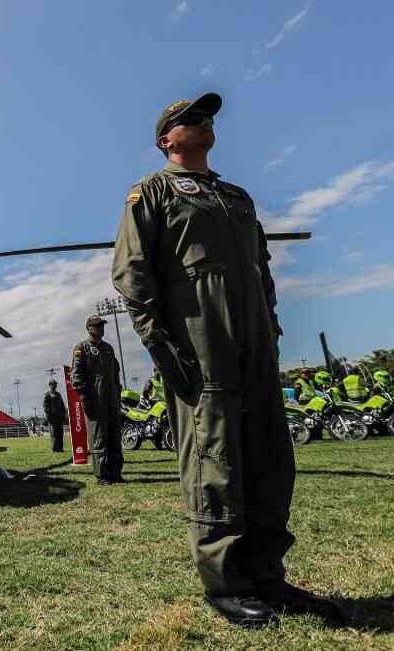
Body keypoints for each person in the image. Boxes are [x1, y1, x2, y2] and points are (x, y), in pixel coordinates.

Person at [111, 92, 324, 625]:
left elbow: (261, 268)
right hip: (201, 342)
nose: (204, 122)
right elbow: (132, 273)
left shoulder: (236, 196)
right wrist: (160, 345)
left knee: (270, 456)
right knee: (216, 458)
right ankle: (225, 583)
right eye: (190, 118)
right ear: (167, 139)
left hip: (254, 342)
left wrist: (270, 327)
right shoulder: (153, 192)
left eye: (207, 117)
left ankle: (267, 575)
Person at [70, 315, 122, 484]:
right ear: (89, 328)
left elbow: (115, 371)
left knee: (114, 435)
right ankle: (102, 475)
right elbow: (76, 376)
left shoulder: (108, 348)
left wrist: (118, 391)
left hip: (112, 397)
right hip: (95, 399)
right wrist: (84, 397)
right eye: (96, 326)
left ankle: (115, 472)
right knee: (99, 436)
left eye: (101, 326)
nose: (100, 329)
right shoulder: (82, 348)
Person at [42, 379, 68, 453]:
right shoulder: (47, 394)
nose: (54, 386)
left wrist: (64, 414)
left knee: (60, 433)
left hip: (59, 417)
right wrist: (49, 413)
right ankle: (55, 448)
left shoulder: (58, 394)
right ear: (50, 385)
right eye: (53, 384)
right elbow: (45, 406)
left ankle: (60, 448)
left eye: (55, 384)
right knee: (54, 433)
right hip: (52, 418)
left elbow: (62, 405)